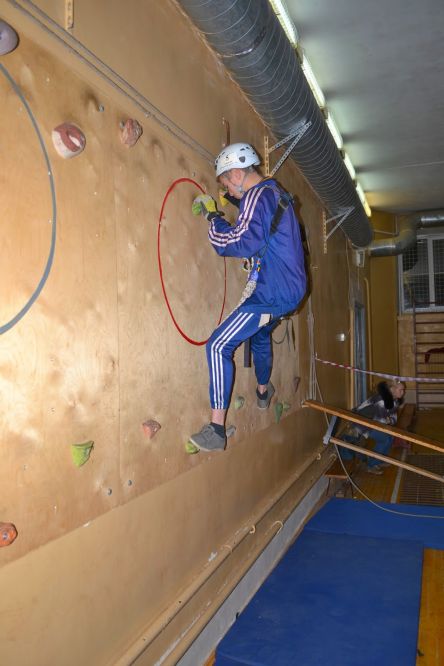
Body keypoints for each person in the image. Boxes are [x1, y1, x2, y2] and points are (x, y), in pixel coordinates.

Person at [189, 142, 307, 452]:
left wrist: (213, 218)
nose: (228, 188)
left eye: (227, 183)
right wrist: (231, 200)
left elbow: (240, 241)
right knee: (260, 335)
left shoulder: (257, 196)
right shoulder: (274, 192)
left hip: (272, 292)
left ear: (238, 174)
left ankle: (216, 430)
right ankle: (263, 391)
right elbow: (261, 223)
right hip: (288, 290)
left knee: (218, 345)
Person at [342, 380, 406, 474]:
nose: (403, 392)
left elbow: (393, 418)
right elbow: (380, 422)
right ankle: (371, 465)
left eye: (403, 390)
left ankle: (380, 460)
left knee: (390, 437)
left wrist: (389, 421)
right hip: (360, 422)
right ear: (392, 389)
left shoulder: (395, 400)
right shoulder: (382, 400)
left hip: (371, 422)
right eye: (400, 390)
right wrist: (388, 421)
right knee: (384, 439)